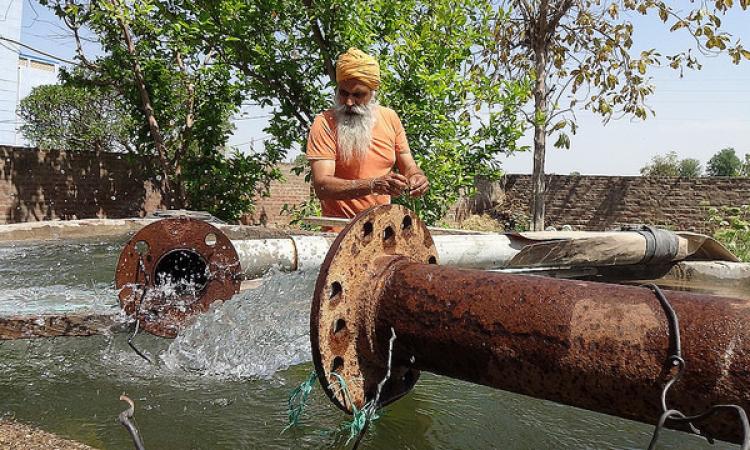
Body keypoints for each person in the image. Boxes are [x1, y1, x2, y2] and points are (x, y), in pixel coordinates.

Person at [306, 48, 429, 225]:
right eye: (343, 93)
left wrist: (417, 178)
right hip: (339, 235)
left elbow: (409, 166)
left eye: (358, 95)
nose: (349, 102)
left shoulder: (390, 118)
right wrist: (372, 185)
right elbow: (322, 186)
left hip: (382, 232)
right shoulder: (324, 123)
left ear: (372, 94)